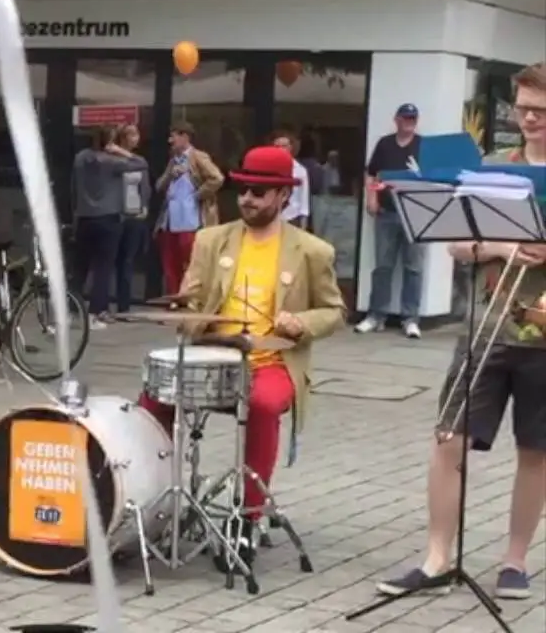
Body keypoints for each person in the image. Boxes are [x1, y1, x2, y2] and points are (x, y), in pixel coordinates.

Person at [376, 62, 546, 601]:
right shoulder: (493, 168)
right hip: (485, 327)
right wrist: (500, 245)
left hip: (543, 336)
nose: (528, 118)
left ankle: (515, 562)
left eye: (540, 110)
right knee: (449, 440)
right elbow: (455, 241)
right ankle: (437, 558)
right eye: (522, 108)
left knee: (536, 451)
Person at [138, 145, 345, 563]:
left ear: (283, 196)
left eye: (258, 192)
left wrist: (301, 322)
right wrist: (184, 313)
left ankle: (248, 517)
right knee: (151, 401)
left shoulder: (312, 251)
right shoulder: (211, 240)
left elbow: (335, 310)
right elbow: (192, 300)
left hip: (272, 361)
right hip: (214, 356)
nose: (247, 199)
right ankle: (145, 501)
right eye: (244, 190)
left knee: (263, 405)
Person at [357, 104, 424, 338]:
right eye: (405, 118)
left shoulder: (423, 145)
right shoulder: (385, 144)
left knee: (413, 268)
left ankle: (410, 318)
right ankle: (376, 315)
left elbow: (432, 176)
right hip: (387, 211)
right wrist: (371, 198)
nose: (409, 122)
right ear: (396, 120)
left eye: (413, 118)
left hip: (415, 214)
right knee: (383, 266)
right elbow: (372, 173)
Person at [70, 125, 145, 330]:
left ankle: (70, 311)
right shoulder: (113, 162)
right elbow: (141, 164)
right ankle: (95, 313)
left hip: (84, 217)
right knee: (102, 269)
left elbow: (73, 187)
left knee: (79, 268)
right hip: (108, 219)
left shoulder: (81, 158)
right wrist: (121, 151)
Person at [154, 122, 223, 295]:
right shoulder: (173, 160)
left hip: (191, 220)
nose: (170, 141)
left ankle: (191, 298)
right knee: (171, 264)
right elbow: (159, 186)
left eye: (174, 136)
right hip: (171, 220)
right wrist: (170, 175)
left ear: (185, 137)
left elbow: (217, 178)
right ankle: (174, 297)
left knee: (191, 262)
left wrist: (198, 195)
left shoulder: (197, 156)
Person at [110, 124, 151, 318]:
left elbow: (145, 184)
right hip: (116, 213)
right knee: (111, 258)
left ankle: (124, 305)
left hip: (134, 214)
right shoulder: (112, 159)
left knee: (127, 260)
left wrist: (145, 205)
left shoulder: (139, 161)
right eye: (132, 134)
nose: (136, 138)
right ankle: (101, 303)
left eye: (137, 134)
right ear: (123, 137)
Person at [270, 130, 311, 230]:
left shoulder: (300, 171)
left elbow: (304, 203)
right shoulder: (268, 169)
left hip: (292, 220)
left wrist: (303, 228)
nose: (280, 149)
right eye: (277, 146)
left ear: (291, 147)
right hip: (270, 220)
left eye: (284, 146)